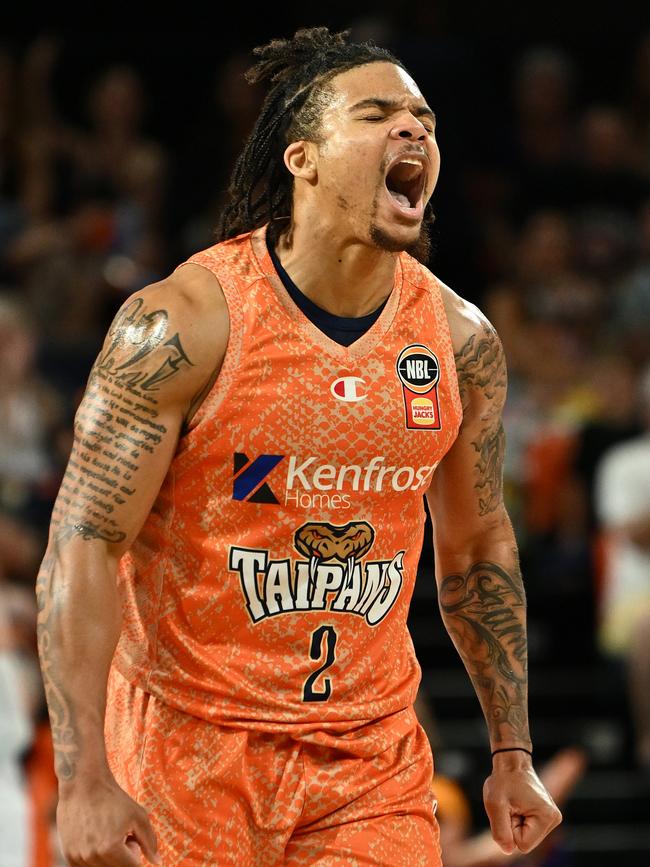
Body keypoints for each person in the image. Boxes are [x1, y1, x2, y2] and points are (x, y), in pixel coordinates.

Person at [35, 27, 561, 866]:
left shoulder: (459, 342)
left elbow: (477, 543)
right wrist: (85, 774)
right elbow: (85, 545)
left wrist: (511, 752)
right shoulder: (182, 322)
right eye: (379, 113)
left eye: (424, 116)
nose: (414, 130)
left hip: (368, 757)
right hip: (189, 745)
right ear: (302, 158)